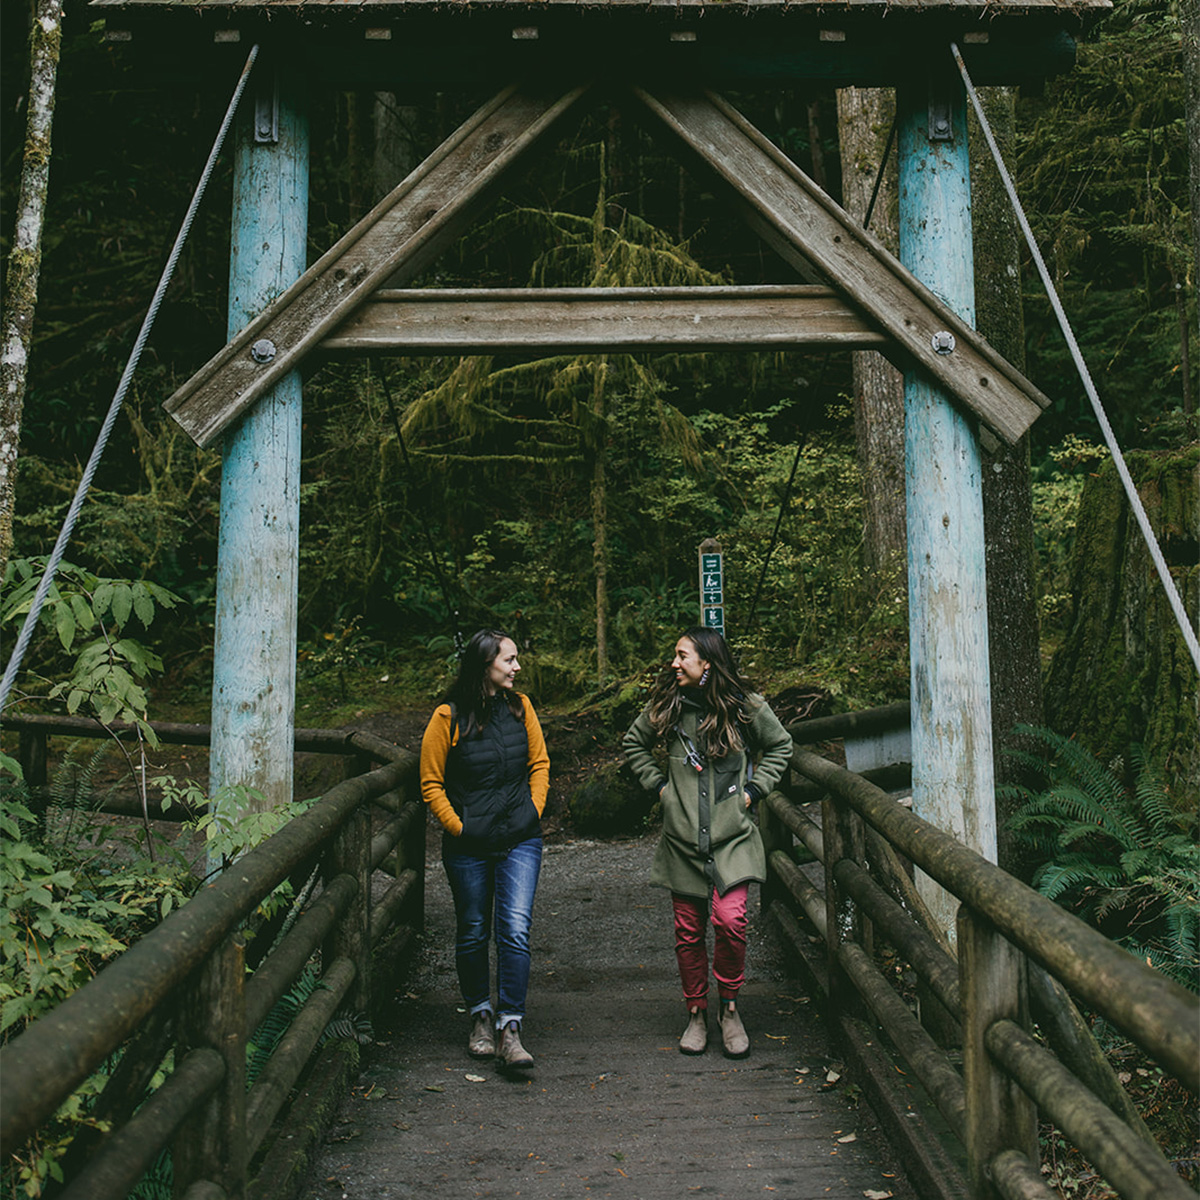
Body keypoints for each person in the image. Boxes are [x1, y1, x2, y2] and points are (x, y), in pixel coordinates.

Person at [622, 627, 793, 1059]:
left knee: (731, 921)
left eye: (682, 656)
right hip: (682, 840)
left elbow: (780, 746)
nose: (674, 663)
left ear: (707, 664)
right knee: (688, 931)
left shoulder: (744, 708)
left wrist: (753, 792)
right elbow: (634, 743)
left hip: (732, 839)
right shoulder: (668, 706)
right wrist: (661, 789)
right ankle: (697, 1012)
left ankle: (730, 1008)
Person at [420, 629, 550, 1071]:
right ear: (485, 665)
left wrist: (532, 809)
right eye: (509, 660)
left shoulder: (521, 707)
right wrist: (458, 827)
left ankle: (510, 1026)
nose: (516, 667)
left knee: (514, 927)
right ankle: (480, 1016)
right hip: (468, 845)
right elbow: (430, 782)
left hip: (520, 837)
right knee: (474, 928)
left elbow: (539, 763)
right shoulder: (447, 716)